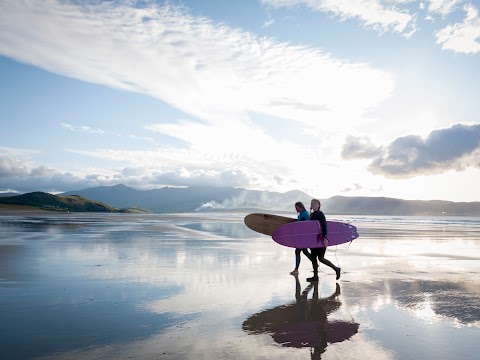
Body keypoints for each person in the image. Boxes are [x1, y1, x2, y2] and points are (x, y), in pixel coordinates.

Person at [307, 199, 341, 282]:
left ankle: (336, 269)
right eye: (312, 203)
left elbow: (324, 225)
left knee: (321, 258)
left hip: (320, 239)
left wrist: (325, 237)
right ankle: (315, 276)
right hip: (314, 240)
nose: (313, 204)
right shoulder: (311, 215)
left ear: (319, 205)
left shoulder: (320, 214)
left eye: (315, 203)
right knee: (314, 258)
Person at [290, 202, 312, 275]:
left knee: (298, 251)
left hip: (304, 237)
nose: (295, 209)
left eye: (296, 207)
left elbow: (309, 225)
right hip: (300, 237)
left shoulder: (305, 214)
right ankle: (314, 262)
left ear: (300, 207)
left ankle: (296, 270)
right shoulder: (300, 214)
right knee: (304, 252)